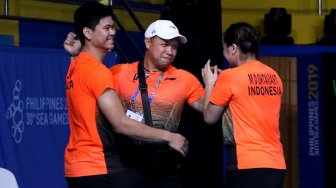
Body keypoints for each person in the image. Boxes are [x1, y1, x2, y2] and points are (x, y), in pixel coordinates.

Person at [64, 19, 205, 188]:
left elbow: (209, 112)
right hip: (129, 168)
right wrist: (76, 56)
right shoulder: (118, 73)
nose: (170, 51)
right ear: (147, 42)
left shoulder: (184, 78)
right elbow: (86, 82)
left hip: (166, 169)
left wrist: (212, 86)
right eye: (165, 44)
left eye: (174, 47)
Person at [202, 22, 286, 188]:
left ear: (233, 48)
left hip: (245, 163)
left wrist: (210, 84)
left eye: (224, 49)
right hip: (276, 165)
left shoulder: (230, 77)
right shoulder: (274, 75)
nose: (224, 54)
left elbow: (209, 117)